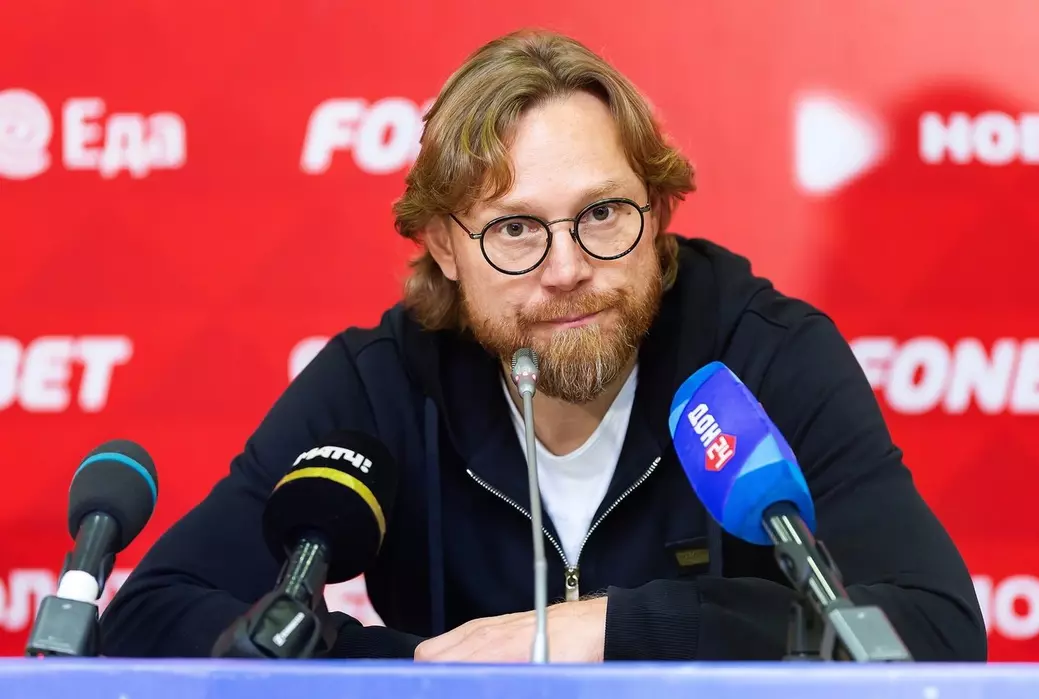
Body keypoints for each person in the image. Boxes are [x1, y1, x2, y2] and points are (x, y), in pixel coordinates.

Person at [99, 29, 986, 662]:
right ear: (444, 246)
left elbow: (933, 629)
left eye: (602, 213)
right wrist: (421, 670)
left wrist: (609, 630)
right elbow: (153, 616)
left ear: (658, 212)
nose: (566, 269)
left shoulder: (761, 359)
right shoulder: (383, 384)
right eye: (515, 229)